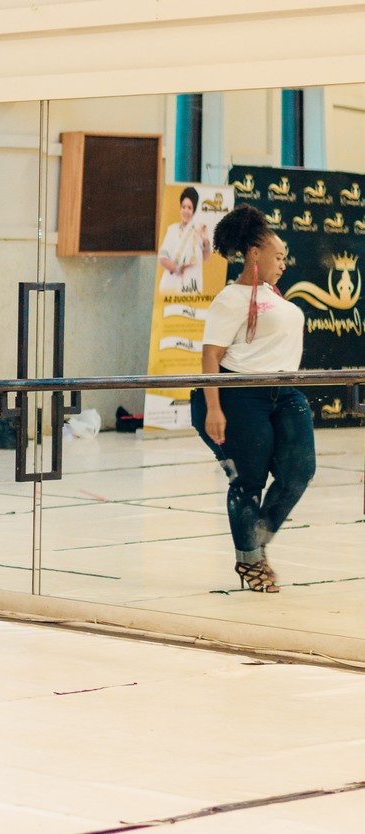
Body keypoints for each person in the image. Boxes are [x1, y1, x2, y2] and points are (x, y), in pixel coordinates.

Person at [190, 203, 313, 593]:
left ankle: (256, 538)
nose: (284, 264)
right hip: (241, 395)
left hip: (285, 392)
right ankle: (249, 560)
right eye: (278, 257)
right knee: (249, 481)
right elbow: (211, 356)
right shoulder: (231, 298)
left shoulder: (273, 296)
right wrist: (213, 409)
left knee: (298, 472)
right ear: (255, 254)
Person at [159, 186, 211, 294]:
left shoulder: (199, 229)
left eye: (189, 208)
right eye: (183, 207)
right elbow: (162, 258)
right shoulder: (172, 230)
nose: (186, 211)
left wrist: (205, 239)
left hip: (191, 282)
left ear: (194, 210)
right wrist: (178, 268)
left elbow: (206, 257)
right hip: (172, 282)